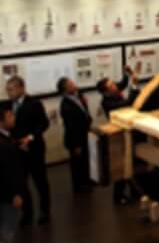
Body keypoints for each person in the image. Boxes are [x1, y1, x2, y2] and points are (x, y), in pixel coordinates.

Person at [6, 76, 50, 226]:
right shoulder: (7, 105)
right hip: (17, 150)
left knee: (40, 181)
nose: (9, 93)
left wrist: (30, 138)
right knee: (21, 183)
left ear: (21, 88)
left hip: (34, 149)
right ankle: (27, 213)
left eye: (11, 89)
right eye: (7, 90)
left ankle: (45, 211)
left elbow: (44, 124)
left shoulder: (34, 103)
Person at [96, 67, 140, 204]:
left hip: (125, 132)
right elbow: (128, 103)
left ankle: (134, 192)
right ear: (106, 92)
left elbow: (123, 83)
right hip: (119, 136)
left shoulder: (112, 93)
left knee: (127, 164)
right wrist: (134, 85)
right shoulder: (108, 103)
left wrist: (129, 74)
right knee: (122, 166)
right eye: (112, 85)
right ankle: (119, 197)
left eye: (113, 83)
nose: (116, 85)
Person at [58, 77, 93, 193]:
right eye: (70, 84)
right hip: (75, 139)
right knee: (77, 164)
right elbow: (71, 127)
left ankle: (86, 181)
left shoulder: (77, 95)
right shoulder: (66, 106)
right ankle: (79, 186)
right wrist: (76, 145)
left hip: (84, 134)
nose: (73, 84)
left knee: (85, 160)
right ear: (65, 90)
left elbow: (83, 110)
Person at [0, 106, 24, 243]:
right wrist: (14, 195)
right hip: (7, 197)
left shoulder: (7, 137)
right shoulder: (2, 144)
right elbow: (6, 172)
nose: (14, 118)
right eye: (10, 116)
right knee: (7, 232)